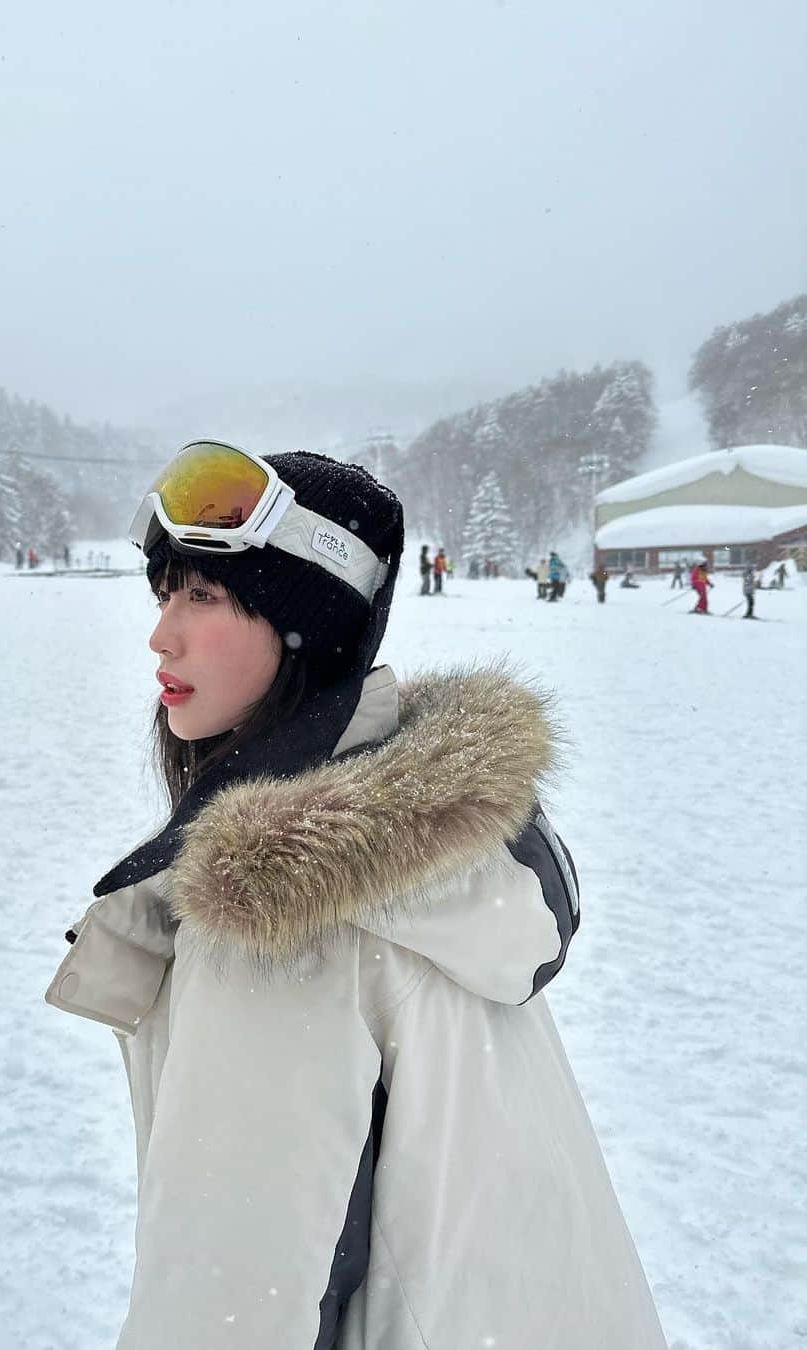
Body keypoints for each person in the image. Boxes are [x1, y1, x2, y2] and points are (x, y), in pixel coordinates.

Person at [46, 439, 668, 1350]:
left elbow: (227, 1311)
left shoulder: (279, 927)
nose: (161, 633)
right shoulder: (438, 873)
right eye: (165, 592)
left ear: (309, 628)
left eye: (205, 595)